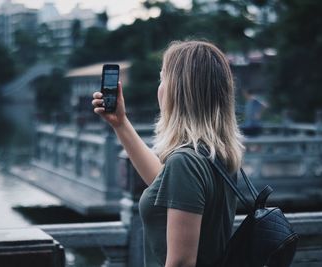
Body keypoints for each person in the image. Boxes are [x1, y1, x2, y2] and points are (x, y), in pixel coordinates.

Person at [92, 40, 245, 267]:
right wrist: (120, 123)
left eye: (162, 78)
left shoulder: (186, 163)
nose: (160, 87)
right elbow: (164, 185)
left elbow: (181, 262)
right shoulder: (213, 155)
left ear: (178, 90)